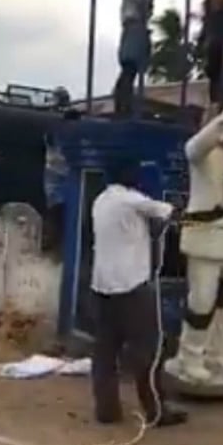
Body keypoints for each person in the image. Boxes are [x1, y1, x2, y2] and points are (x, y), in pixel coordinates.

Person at [90, 162, 187, 427]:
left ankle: (106, 411)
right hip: (132, 286)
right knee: (149, 352)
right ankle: (155, 412)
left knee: (105, 353)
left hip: (102, 286)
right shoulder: (133, 200)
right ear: (130, 177)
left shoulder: (101, 201)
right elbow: (169, 212)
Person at [113, 0, 157, 115]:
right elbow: (141, 3)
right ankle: (121, 103)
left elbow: (148, 11)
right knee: (129, 66)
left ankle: (126, 103)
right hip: (132, 25)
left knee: (134, 69)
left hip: (139, 25)